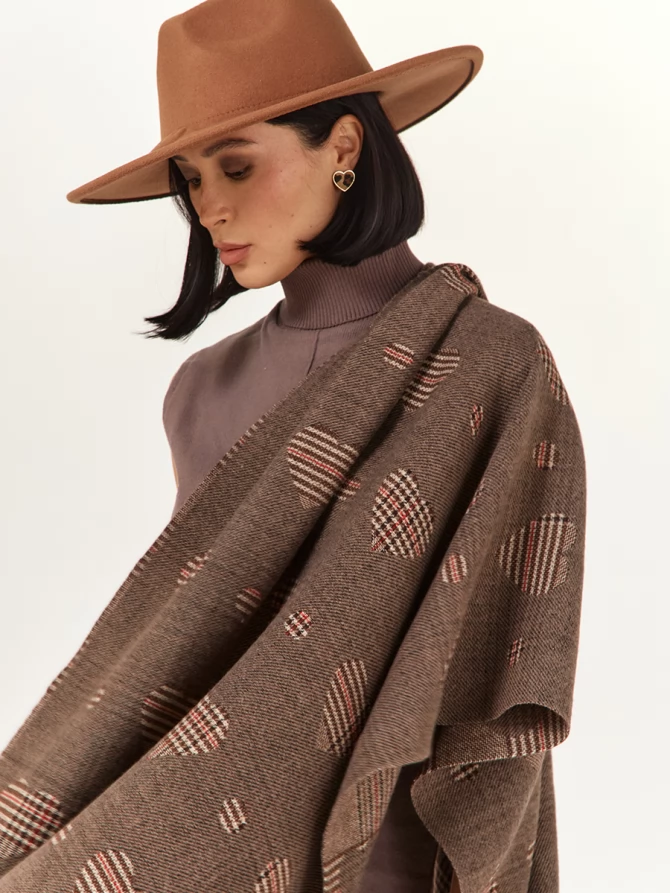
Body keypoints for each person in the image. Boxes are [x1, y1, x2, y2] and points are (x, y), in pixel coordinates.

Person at [0, 3, 585, 893]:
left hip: (397, 839)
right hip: (212, 843)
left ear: (344, 146)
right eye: (191, 179)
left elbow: (503, 645)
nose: (210, 207)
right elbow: (197, 651)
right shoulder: (201, 391)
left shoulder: (493, 365)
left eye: (237, 165)